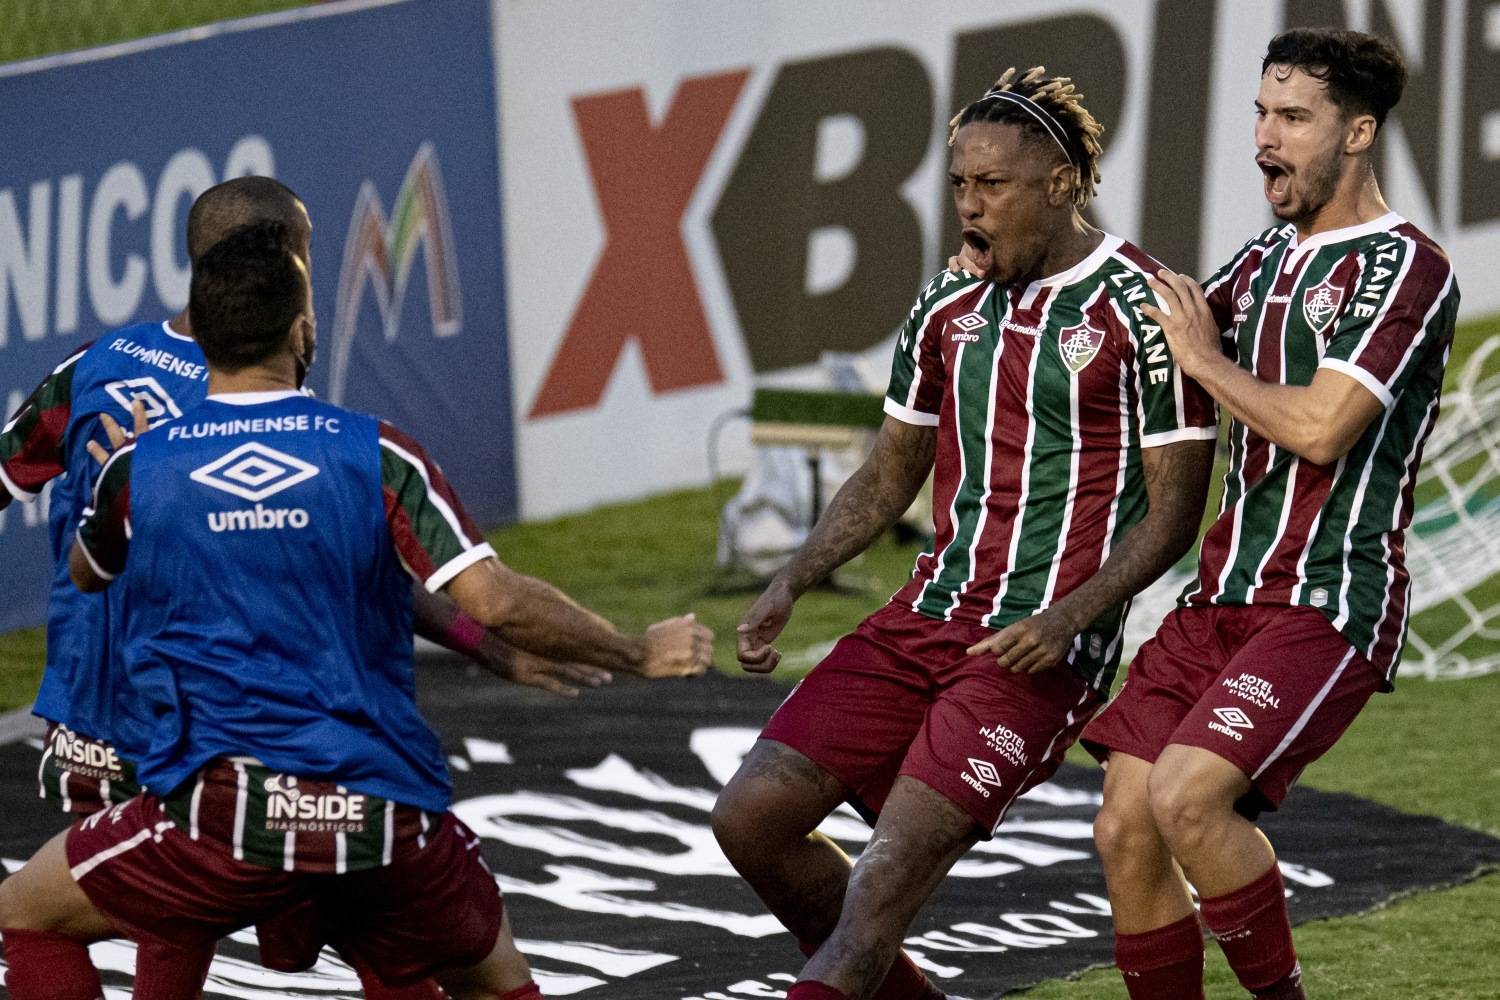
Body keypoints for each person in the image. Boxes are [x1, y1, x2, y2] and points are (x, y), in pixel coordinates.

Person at [0, 222, 713, 1000]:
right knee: (488, 969)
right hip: (383, 811)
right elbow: (494, 598)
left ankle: (291, 913)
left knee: (29, 911)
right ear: (304, 328)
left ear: (197, 333)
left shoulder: (145, 469)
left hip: (227, 814)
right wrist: (634, 651)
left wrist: (127, 487)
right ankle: (312, 919)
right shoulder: (377, 454)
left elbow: (91, 572)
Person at [711, 67, 1219, 1000]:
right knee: (750, 819)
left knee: (881, 887)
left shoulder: (1145, 309)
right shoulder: (946, 304)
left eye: (994, 185)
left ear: (1061, 182)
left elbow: (1174, 508)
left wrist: (1071, 619)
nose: (969, 206)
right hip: (922, 619)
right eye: (959, 183)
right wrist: (794, 575)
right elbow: (889, 471)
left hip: (1037, 651)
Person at [1083, 28, 1459, 1000]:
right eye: (1260, 112)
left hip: (1327, 598)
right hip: (1221, 598)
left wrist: (1207, 360)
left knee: (1186, 796)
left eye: (1294, 117)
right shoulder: (1266, 258)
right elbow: (1155, 327)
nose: (1266, 136)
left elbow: (1325, 428)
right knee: (1125, 820)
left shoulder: (1402, 266)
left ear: (1359, 132)